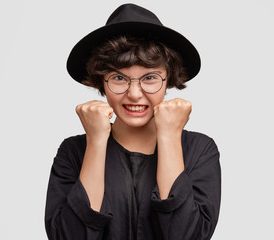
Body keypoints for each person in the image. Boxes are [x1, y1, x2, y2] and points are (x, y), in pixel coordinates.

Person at [45, 3, 221, 240]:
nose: (135, 94)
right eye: (119, 77)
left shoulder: (200, 150)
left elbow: (187, 236)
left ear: (168, 80)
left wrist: (169, 136)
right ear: (101, 82)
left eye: (150, 78)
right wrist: (96, 141)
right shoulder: (73, 151)